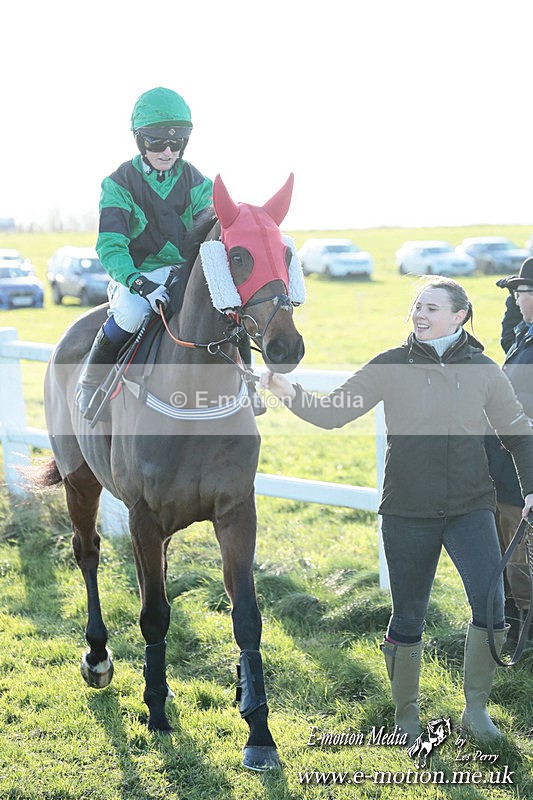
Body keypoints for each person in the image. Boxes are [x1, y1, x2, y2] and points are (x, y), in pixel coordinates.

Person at [260, 276, 533, 744]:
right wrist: (285, 390)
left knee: (490, 607)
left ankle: (477, 711)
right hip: (407, 512)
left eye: (431, 307)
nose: (420, 315)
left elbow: (517, 432)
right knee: (408, 616)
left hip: (471, 508)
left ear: (459, 315)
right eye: (416, 307)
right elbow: (334, 411)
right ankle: (406, 717)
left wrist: (530, 490)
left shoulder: (485, 370)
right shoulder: (389, 364)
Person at [76, 87, 213, 418]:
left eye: (177, 142)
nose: (168, 150)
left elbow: (209, 234)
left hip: (184, 272)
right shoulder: (118, 183)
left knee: (223, 307)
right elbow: (111, 245)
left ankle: (247, 385)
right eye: (156, 142)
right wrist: (139, 284)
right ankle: (89, 384)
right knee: (131, 315)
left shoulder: (199, 182)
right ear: (139, 139)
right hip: (138, 276)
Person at [486, 258, 533, 642]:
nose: (517, 300)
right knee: (510, 552)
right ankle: (515, 626)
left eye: (522, 293)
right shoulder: (526, 335)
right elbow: (509, 341)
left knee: (521, 559)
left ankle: (523, 633)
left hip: (523, 469)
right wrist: (509, 296)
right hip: (507, 468)